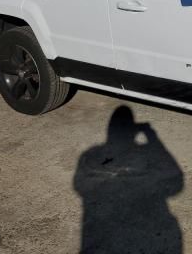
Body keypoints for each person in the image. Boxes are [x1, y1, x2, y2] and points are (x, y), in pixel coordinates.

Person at [73, 105, 183, 253]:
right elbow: (176, 182)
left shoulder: (91, 154)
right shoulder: (142, 153)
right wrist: (151, 134)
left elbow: (80, 185)